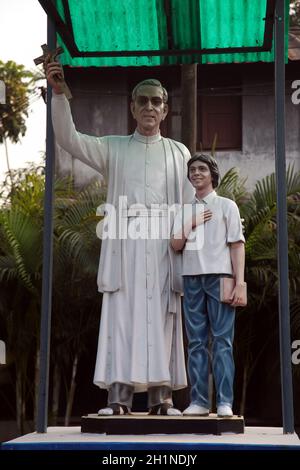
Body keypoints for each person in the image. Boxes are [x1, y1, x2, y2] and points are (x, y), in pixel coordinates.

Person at [46, 60, 194, 416]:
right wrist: (59, 94)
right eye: (141, 101)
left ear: (165, 109)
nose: (148, 107)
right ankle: (118, 399)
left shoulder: (180, 152)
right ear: (131, 107)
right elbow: (69, 139)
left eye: (155, 102)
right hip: (124, 244)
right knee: (122, 316)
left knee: (163, 317)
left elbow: (191, 206)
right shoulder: (112, 147)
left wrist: (185, 242)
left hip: (163, 244)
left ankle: (163, 399)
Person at [171, 153, 245, 417]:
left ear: (212, 174)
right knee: (196, 344)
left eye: (202, 169)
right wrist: (191, 221)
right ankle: (200, 402)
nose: (196, 173)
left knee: (223, 342)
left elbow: (237, 245)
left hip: (220, 278)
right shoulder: (184, 210)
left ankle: (225, 402)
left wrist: (240, 282)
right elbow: (175, 245)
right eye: (192, 170)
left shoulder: (227, 206)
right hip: (191, 279)